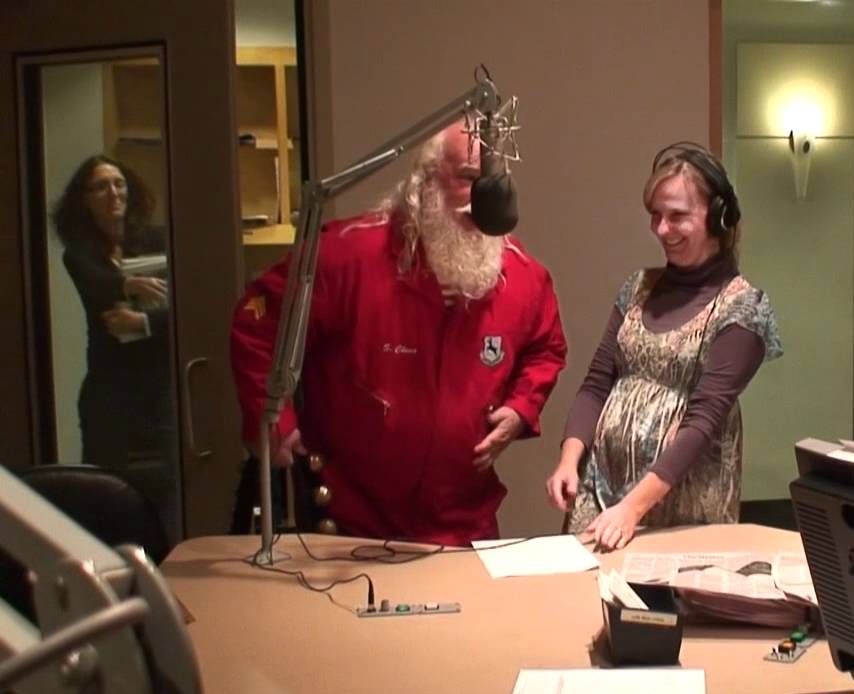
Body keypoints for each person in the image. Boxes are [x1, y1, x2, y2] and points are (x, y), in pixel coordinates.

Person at [230, 121, 568, 545]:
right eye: (466, 180)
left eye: (491, 185)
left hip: (461, 525)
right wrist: (275, 419)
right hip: (350, 527)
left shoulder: (525, 278)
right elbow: (257, 322)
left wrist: (521, 407)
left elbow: (546, 348)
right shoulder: (344, 257)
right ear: (425, 179)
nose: (480, 201)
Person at [545, 141, 782, 551]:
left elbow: (704, 422)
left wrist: (632, 509)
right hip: (600, 494)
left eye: (677, 216)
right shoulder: (637, 288)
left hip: (679, 508)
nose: (661, 230)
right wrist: (569, 460)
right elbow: (597, 383)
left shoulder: (743, 309)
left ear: (719, 218)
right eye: (656, 216)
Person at [53, 155, 175, 534]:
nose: (112, 193)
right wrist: (127, 284)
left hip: (160, 385)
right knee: (106, 499)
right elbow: (95, 286)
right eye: (100, 186)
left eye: (118, 183)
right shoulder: (79, 253)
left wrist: (145, 322)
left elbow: (190, 306)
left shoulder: (158, 239)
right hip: (109, 390)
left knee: (166, 499)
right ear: (84, 199)